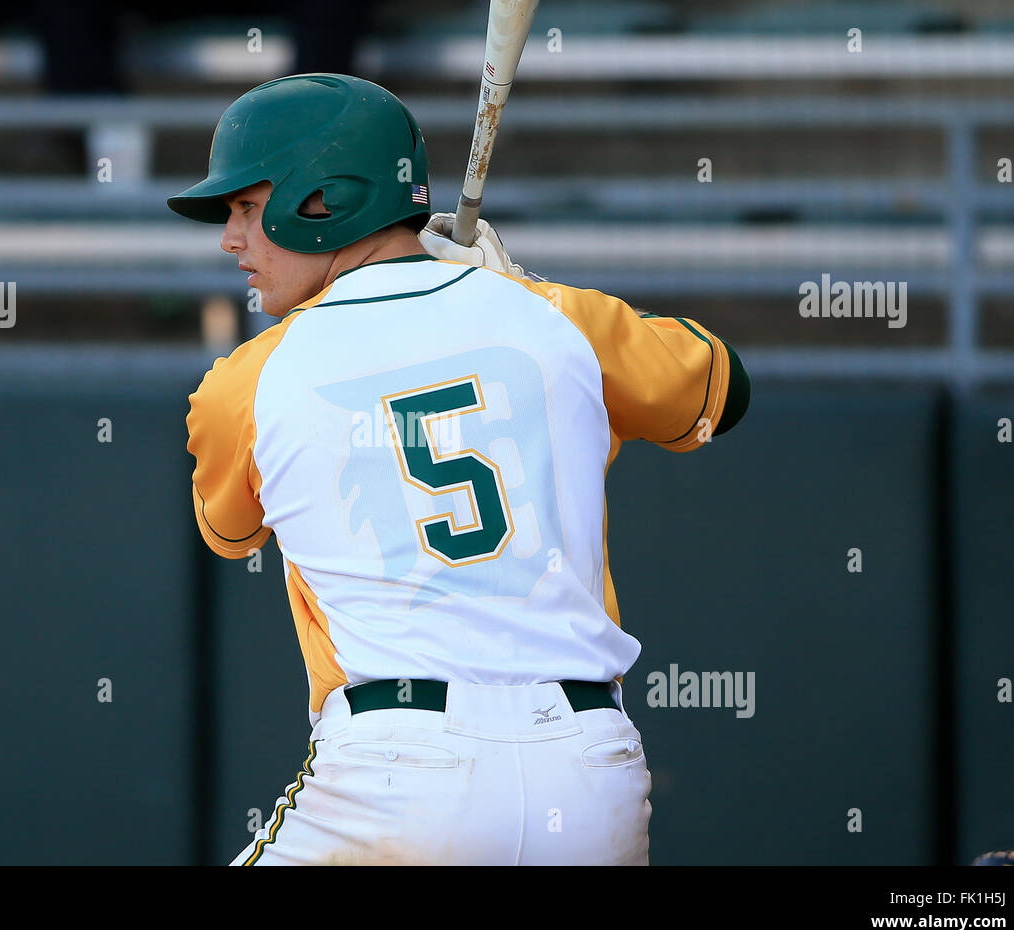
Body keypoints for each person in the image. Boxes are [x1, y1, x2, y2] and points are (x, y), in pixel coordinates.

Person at [168, 73, 751, 865]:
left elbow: (231, 534)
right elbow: (721, 388)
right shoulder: (555, 318)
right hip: (587, 770)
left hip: (393, 770)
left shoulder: (244, 381)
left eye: (244, 208)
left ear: (321, 201)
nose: (230, 240)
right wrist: (519, 293)